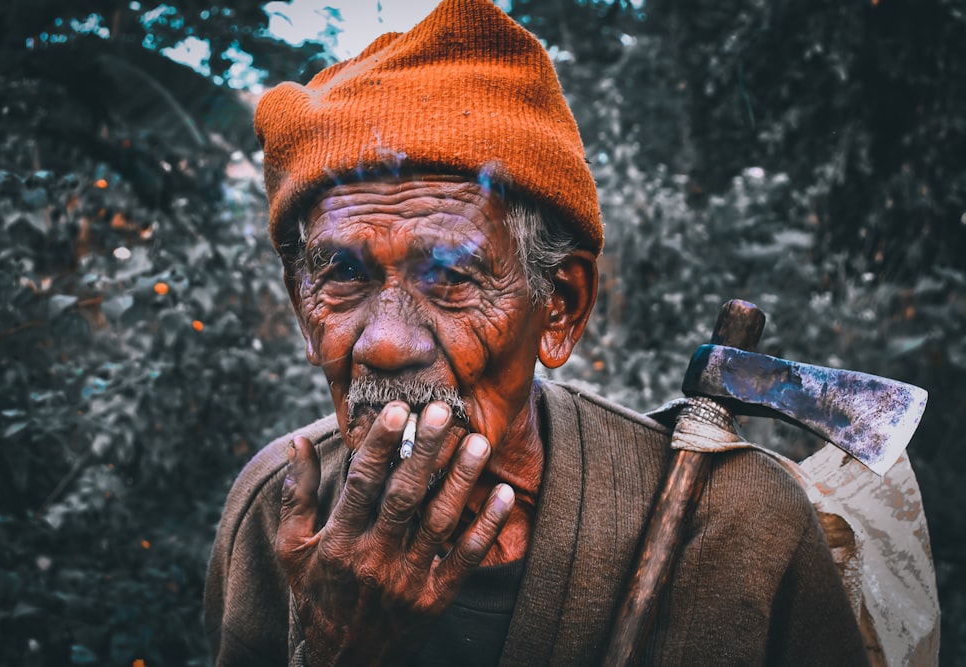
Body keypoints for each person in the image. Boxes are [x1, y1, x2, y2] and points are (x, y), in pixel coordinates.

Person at [204, 0, 870, 664]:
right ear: (302, 304)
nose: (383, 343)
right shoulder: (276, 516)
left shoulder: (739, 525)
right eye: (343, 273)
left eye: (450, 277)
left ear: (560, 305)